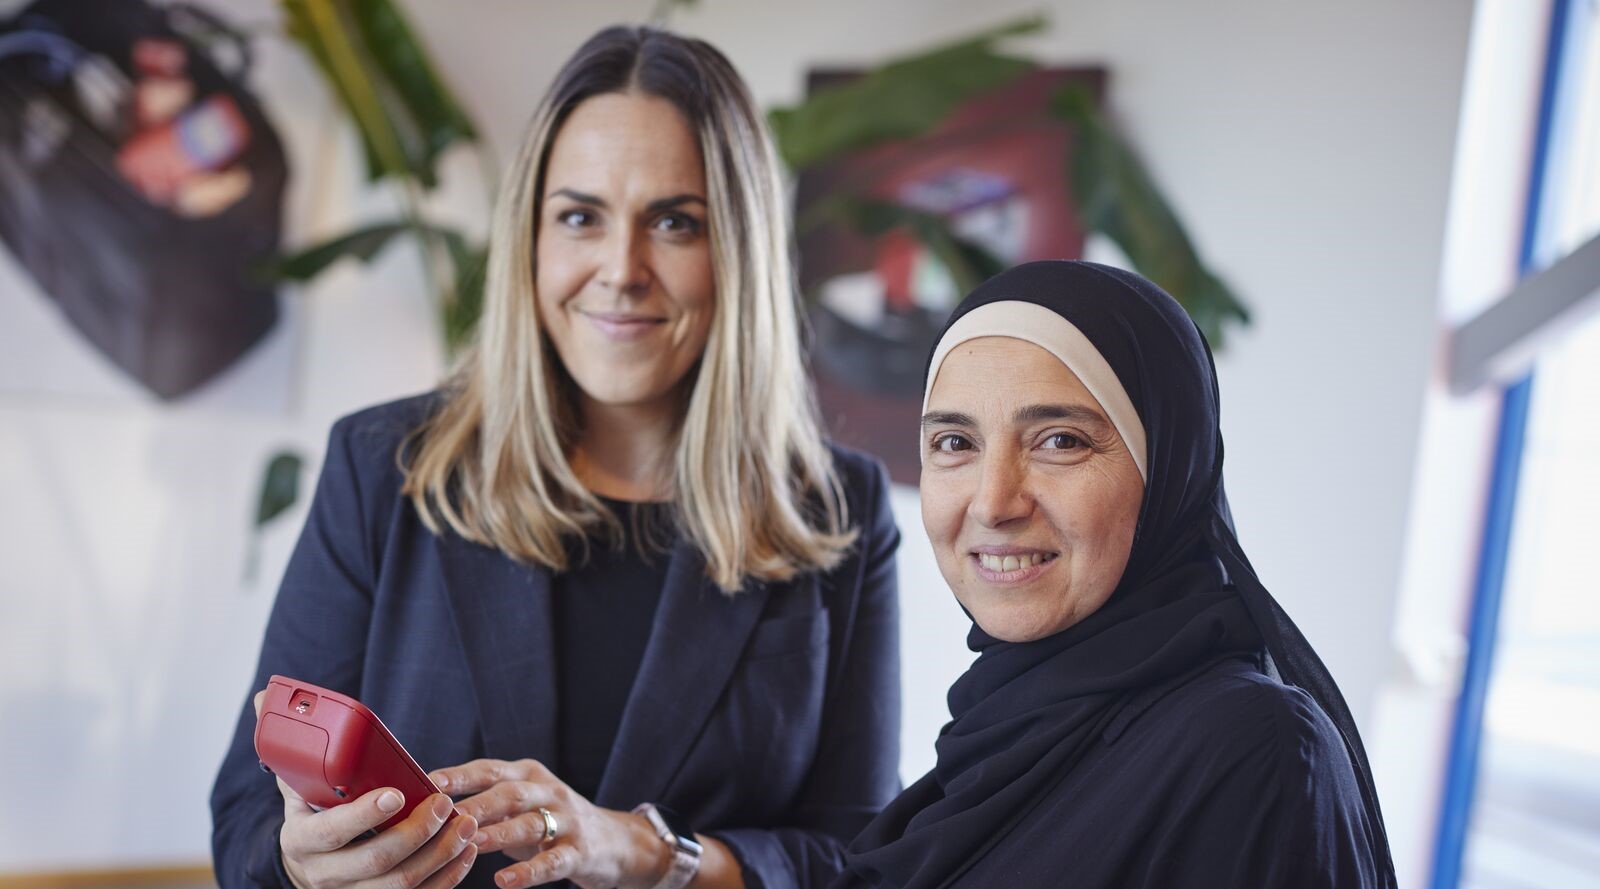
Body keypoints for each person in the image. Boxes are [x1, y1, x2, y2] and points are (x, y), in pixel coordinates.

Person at [211, 26, 901, 889]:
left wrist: (649, 853)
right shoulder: (384, 468)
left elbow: (861, 860)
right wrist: (295, 861)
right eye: (580, 216)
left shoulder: (839, 508)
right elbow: (244, 821)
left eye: (676, 222)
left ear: (739, 250)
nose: (621, 269)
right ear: (531, 239)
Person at [831, 260, 1395, 888]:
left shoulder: (1252, 750)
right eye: (956, 444)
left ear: (1171, 472)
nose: (993, 503)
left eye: (1061, 441)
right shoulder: (994, 733)